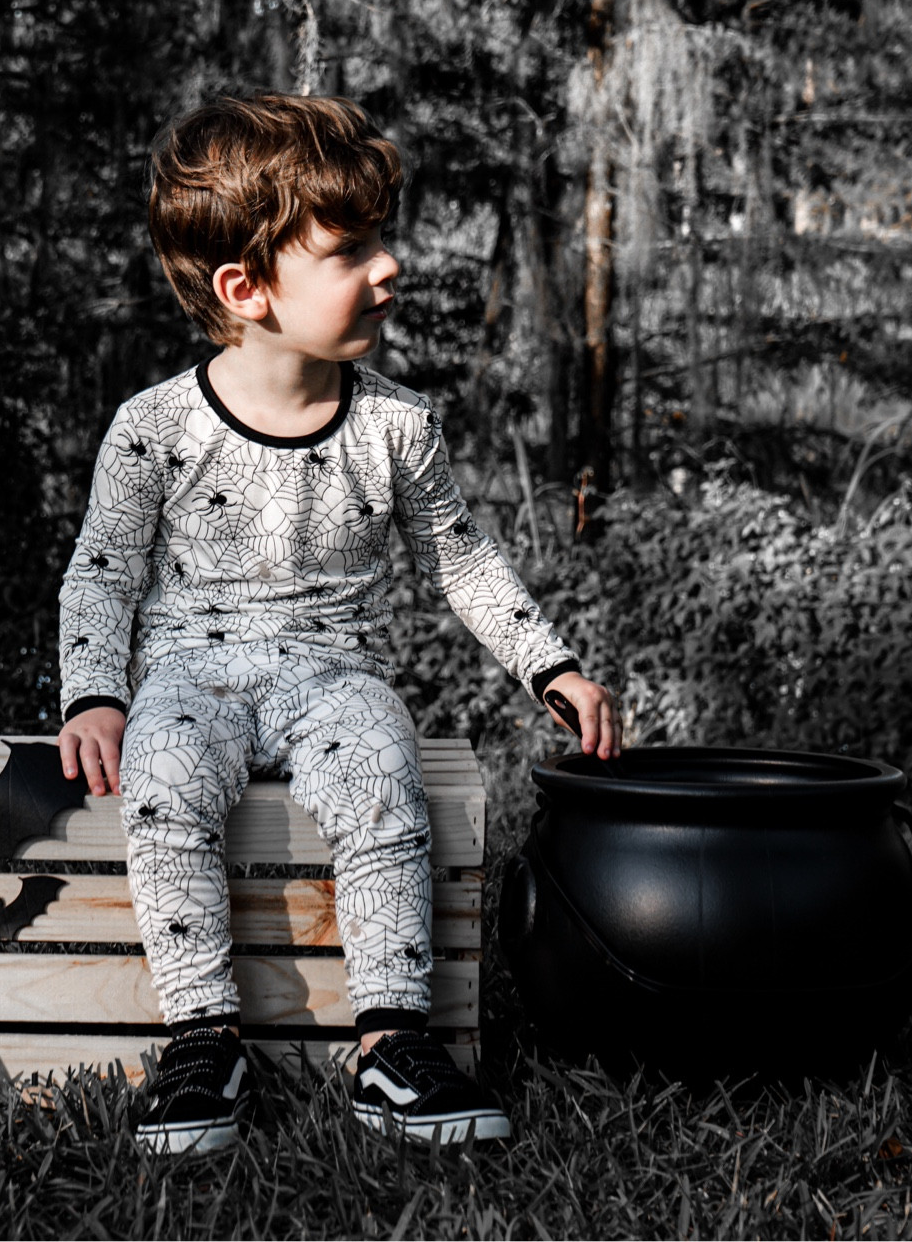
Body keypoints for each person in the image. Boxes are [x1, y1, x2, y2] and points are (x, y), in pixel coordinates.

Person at [55, 91, 618, 1153]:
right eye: (350, 250)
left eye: (380, 239)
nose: (389, 266)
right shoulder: (155, 429)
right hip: (189, 669)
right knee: (165, 777)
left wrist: (552, 665)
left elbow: (459, 557)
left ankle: (390, 1044)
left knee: (381, 773)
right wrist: (94, 695)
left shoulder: (395, 425)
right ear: (246, 287)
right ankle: (199, 1039)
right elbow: (100, 573)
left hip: (332, 671)